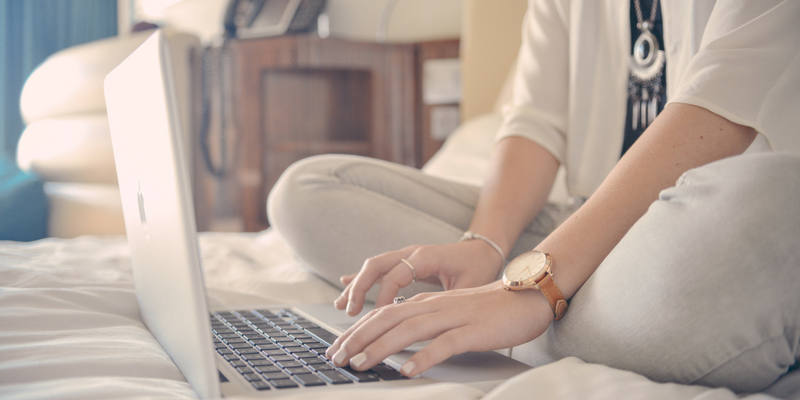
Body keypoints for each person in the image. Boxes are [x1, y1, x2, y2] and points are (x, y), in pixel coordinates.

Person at [267, 0, 800, 393]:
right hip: (580, 218)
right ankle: (514, 306)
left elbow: (718, 109)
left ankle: (513, 312)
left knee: (779, 203)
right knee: (309, 190)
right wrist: (487, 244)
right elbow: (534, 123)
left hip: (696, 231)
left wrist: (531, 291)